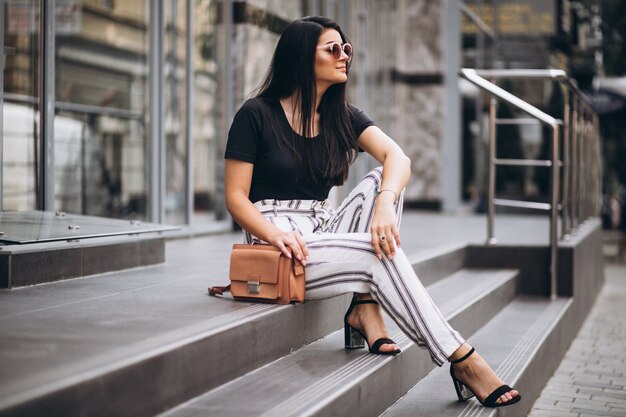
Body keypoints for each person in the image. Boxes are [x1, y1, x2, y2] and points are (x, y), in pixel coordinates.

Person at [224, 16, 521, 408]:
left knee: (384, 181)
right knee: (376, 253)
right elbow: (235, 197)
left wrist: (383, 202)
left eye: (346, 49)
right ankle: (462, 358)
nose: (343, 56)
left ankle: (365, 306)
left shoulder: (340, 116)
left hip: (323, 227)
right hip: (280, 243)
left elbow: (399, 157)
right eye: (332, 49)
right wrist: (274, 234)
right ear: (300, 57)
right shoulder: (256, 114)